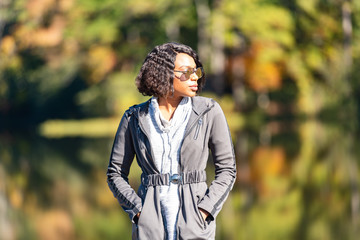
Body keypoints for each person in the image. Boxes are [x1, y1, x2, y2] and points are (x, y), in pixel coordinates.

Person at [107, 42, 236, 240]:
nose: (194, 77)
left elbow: (227, 169)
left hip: (195, 227)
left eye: (196, 71)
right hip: (150, 229)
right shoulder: (134, 117)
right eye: (186, 72)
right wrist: (139, 211)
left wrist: (204, 211)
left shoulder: (209, 111)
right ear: (163, 73)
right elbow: (115, 174)